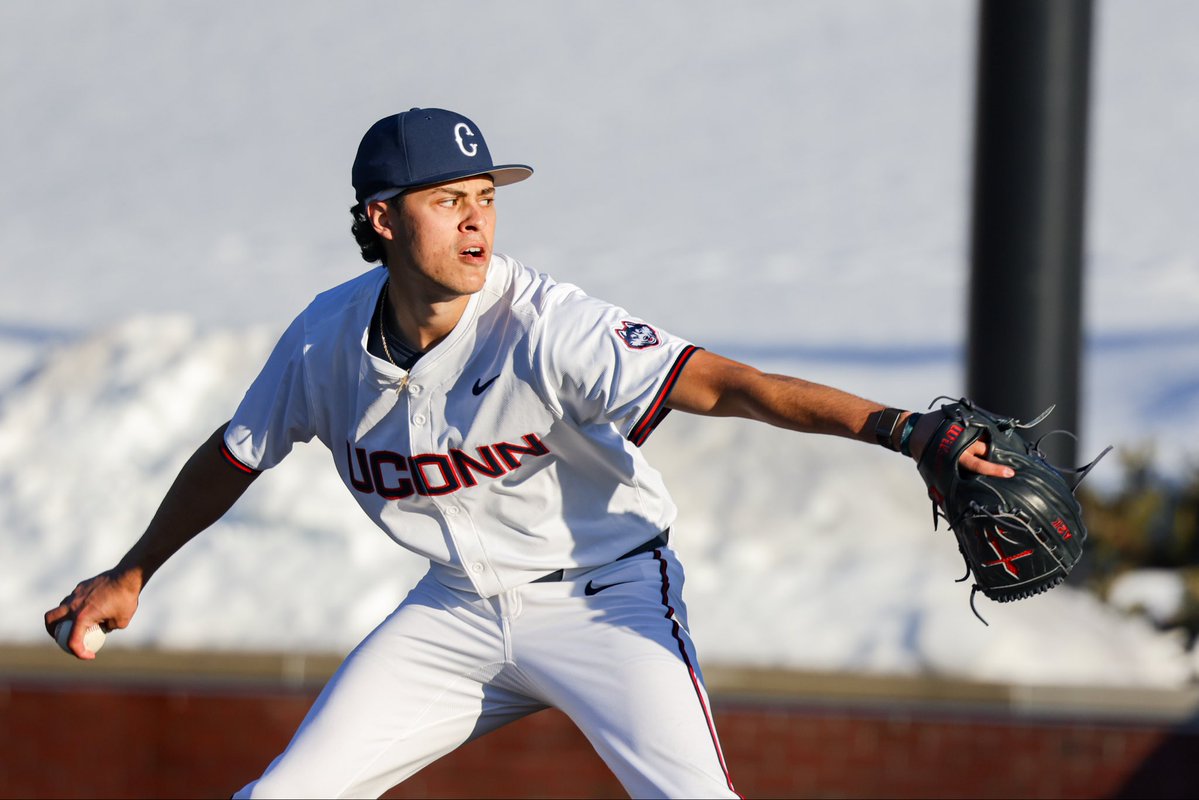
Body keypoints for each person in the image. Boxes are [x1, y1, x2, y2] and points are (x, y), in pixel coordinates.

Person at [45, 107, 1010, 799]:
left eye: (484, 197)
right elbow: (235, 454)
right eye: (445, 199)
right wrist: (134, 571)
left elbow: (724, 384)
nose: (476, 219)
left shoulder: (547, 324)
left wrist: (901, 429)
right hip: (455, 614)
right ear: (381, 219)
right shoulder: (321, 340)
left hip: (605, 598)